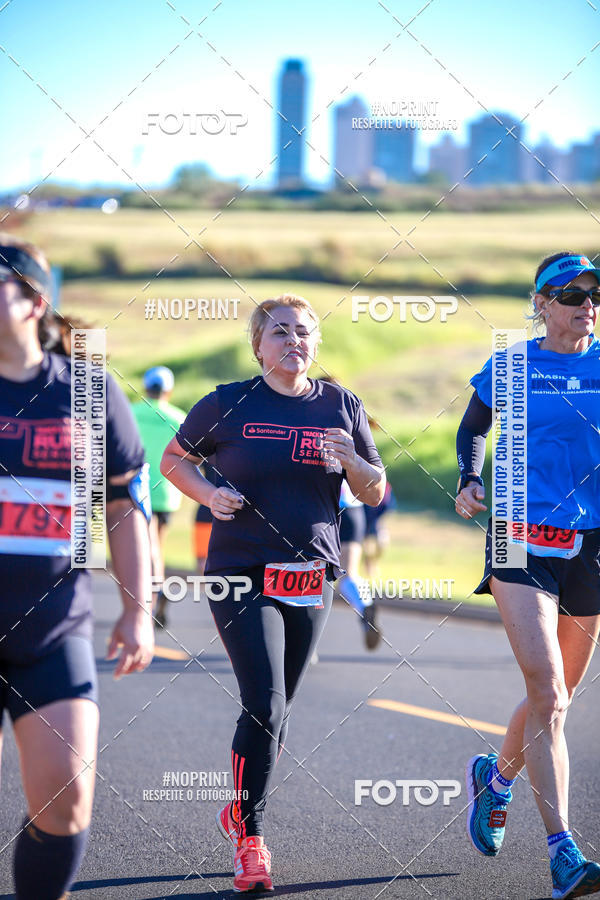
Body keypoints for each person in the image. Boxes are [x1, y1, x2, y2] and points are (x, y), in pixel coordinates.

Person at [160, 293, 385, 893]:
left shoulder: (340, 404)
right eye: (280, 332)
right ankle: (251, 837)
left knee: (279, 709)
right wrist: (207, 496)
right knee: (263, 701)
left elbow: (375, 489)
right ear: (258, 344)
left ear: (315, 343)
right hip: (241, 572)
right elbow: (173, 460)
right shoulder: (228, 402)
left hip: (311, 578)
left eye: (304, 332)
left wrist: (352, 463)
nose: (294, 341)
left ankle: (237, 808)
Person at [0, 235, 154, 900]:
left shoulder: (87, 393)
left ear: (34, 301)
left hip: (52, 629)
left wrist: (139, 609)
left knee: (65, 802)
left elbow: (124, 504)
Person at [455, 251, 600, 900]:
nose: (584, 303)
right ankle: (562, 852)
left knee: (558, 696)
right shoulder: (512, 365)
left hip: (590, 543)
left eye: (594, 293)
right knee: (547, 693)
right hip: (520, 538)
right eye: (569, 293)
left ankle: (495, 777)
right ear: (540, 303)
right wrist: (467, 477)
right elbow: (472, 428)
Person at [132, 366, 186, 628]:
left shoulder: (132, 412)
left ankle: (152, 594)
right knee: (157, 543)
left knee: (146, 546)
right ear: (169, 390)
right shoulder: (178, 417)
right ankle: (159, 585)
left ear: (145, 387)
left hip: (136, 489)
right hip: (167, 491)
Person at [338, 479, 382, 649]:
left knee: (314, 577)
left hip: (324, 509)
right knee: (350, 574)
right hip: (353, 509)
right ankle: (365, 605)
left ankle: (307, 644)